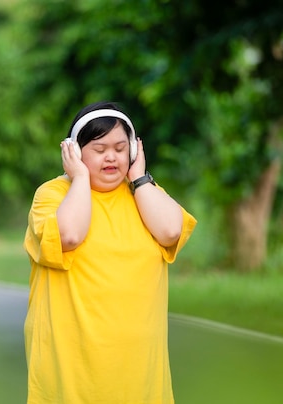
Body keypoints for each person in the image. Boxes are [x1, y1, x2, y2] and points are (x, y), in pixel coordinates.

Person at [23, 101, 197, 403]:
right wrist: (79, 179)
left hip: (139, 371)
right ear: (74, 152)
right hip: (72, 369)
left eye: (119, 148)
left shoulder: (144, 194)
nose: (111, 158)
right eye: (99, 149)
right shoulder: (52, 194)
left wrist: (140, 179)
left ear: (133, 149)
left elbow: (170, 231)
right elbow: (69, 235)